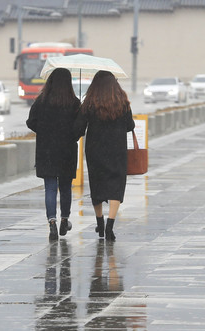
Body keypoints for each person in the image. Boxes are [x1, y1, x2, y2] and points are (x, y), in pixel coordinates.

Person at [74, 70, 135, 241]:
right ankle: (110, 226)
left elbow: (79, 128)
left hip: (95, 150)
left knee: (97, 185)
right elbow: (130, 125)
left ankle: (99, 223)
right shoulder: (122, 102)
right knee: (116, 186)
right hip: (117, 150)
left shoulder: (90, 102)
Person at [26, 67, 81, 241]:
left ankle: (52, 224)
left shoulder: (41, 101)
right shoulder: (74, 102)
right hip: (67, 151)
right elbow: (79, 127)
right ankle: (65, 220)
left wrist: (44, 132)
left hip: (46, 150)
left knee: (50, 188)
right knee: (65, 187)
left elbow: (31, 122)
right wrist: (72, 136)